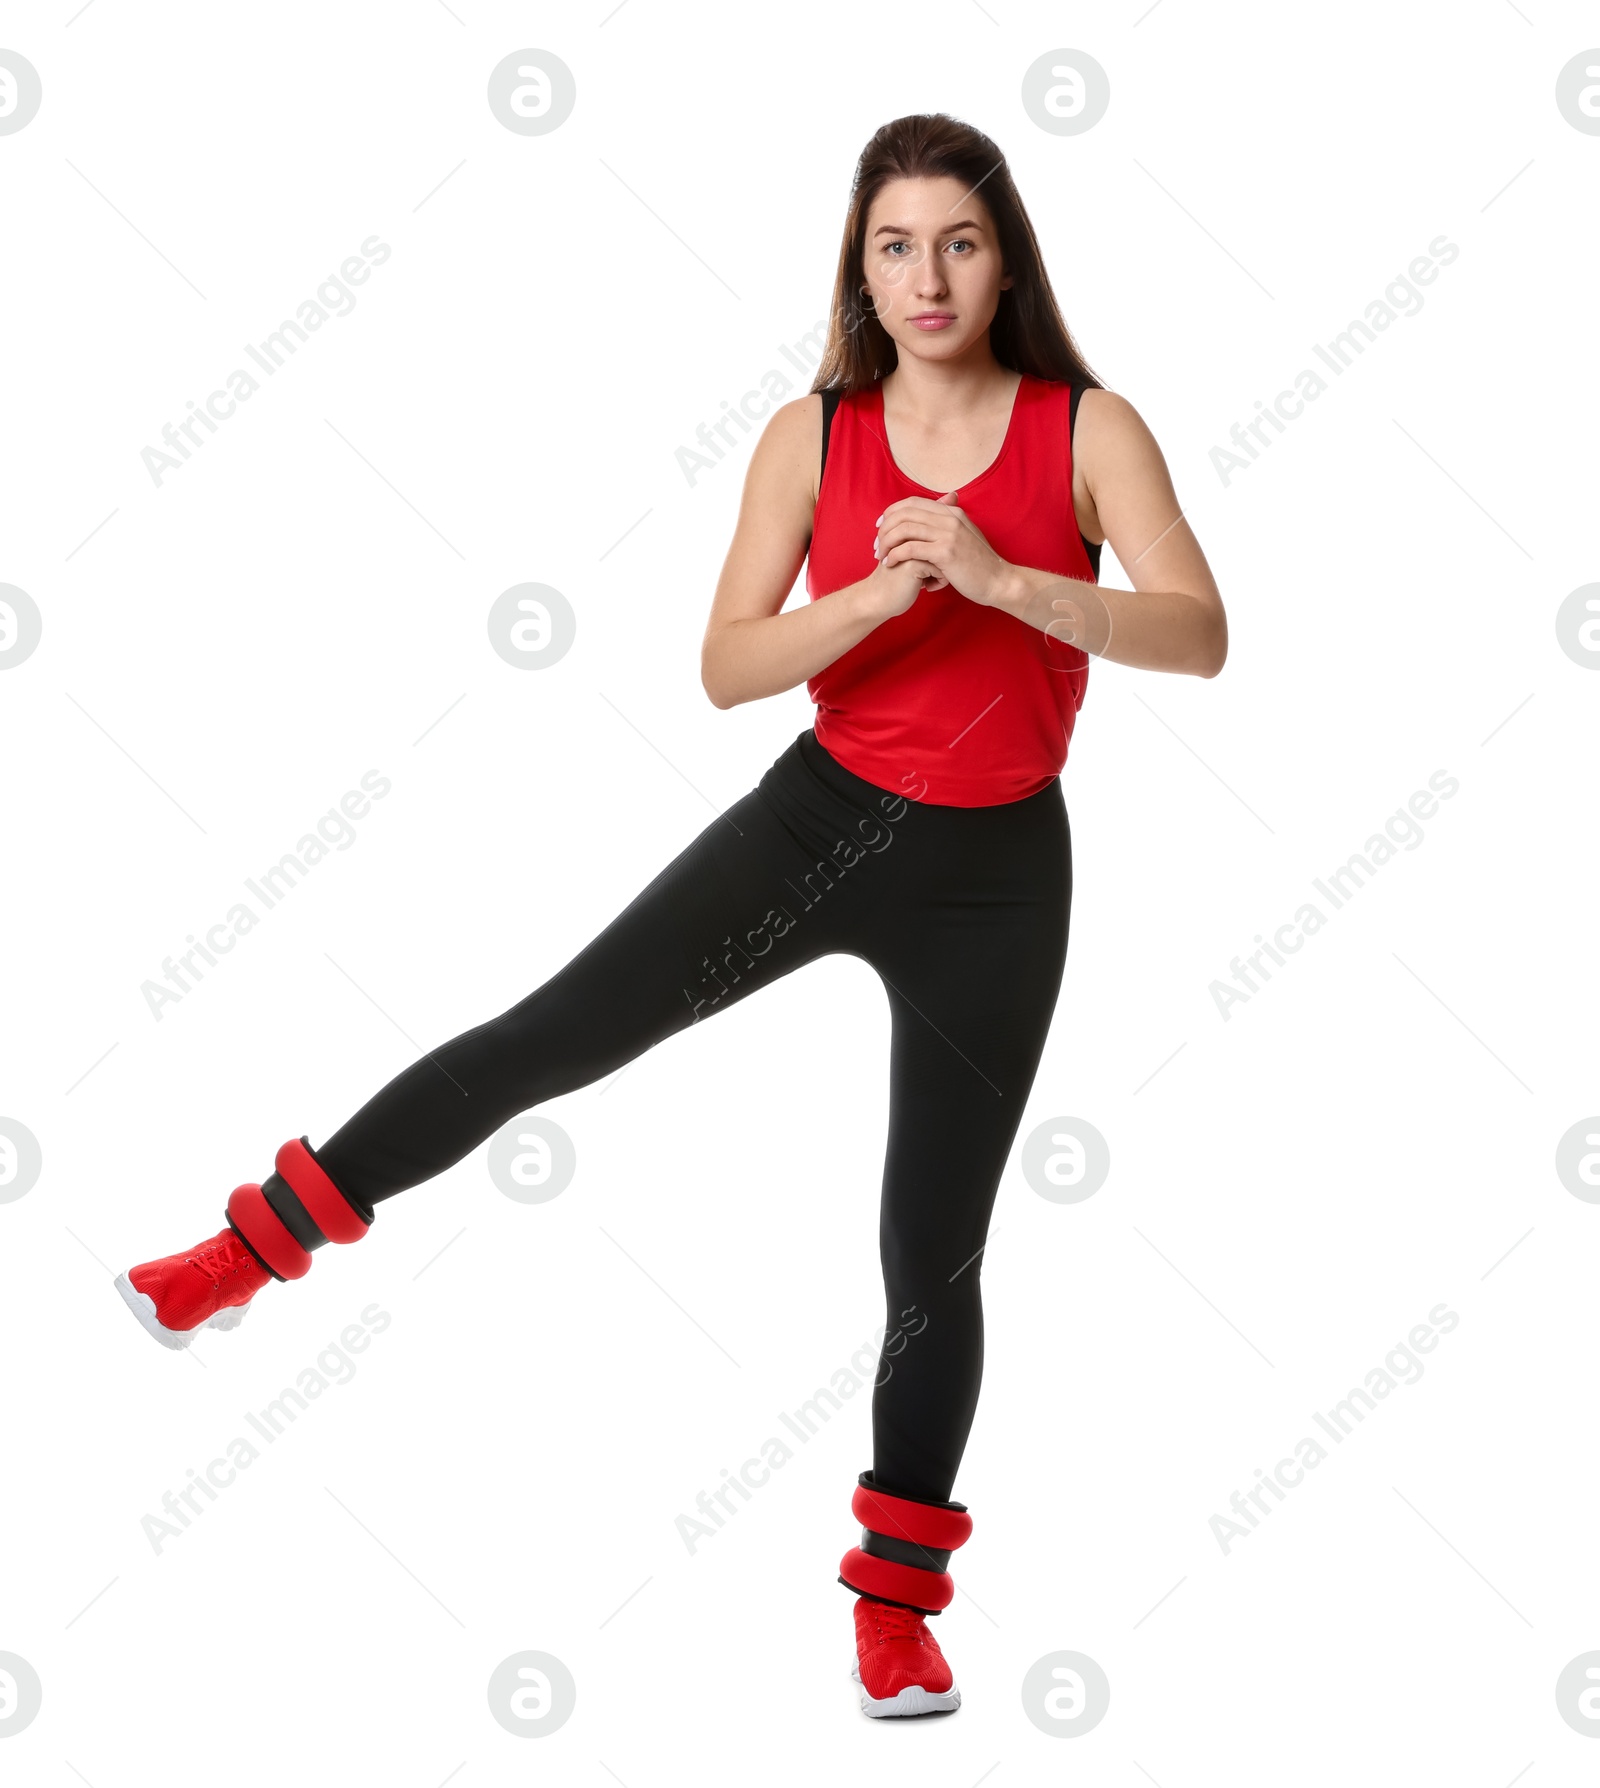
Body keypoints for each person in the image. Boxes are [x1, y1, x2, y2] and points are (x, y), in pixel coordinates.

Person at [115, 112, 1226, 1719]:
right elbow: (724, 667)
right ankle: (247, 1247)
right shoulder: (812, 436)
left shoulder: (1089, 428)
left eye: (961, 243)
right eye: (896, 245)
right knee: (542, 1043)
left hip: (999, 874)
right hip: (819, 824)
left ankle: (897, 1610)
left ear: (1006, 259)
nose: (929, 276)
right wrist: (872, 601)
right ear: (862, 263)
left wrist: (1003, 582)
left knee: (933, 1245)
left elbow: (1198, 634)